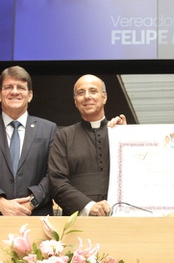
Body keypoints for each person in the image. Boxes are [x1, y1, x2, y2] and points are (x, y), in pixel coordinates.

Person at [0, 66, 57, 216]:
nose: (14, 91)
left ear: (30, 95)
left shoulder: (49, 129)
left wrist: (30, 203)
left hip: (35, 216)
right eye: (8, 87)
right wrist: (1, 203)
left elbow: (54, 174)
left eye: (21, 87)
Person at [48, 75, 127, 216]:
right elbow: (57, 183)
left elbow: (136, 174)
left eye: (93, 91)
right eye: (80, 93)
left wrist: (126, 137)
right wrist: (89, 207)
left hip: (120, 218)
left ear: (104, 97)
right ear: (75, 102)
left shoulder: (119, 132)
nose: (87, 96)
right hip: (77, 220)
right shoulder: (64, 136)